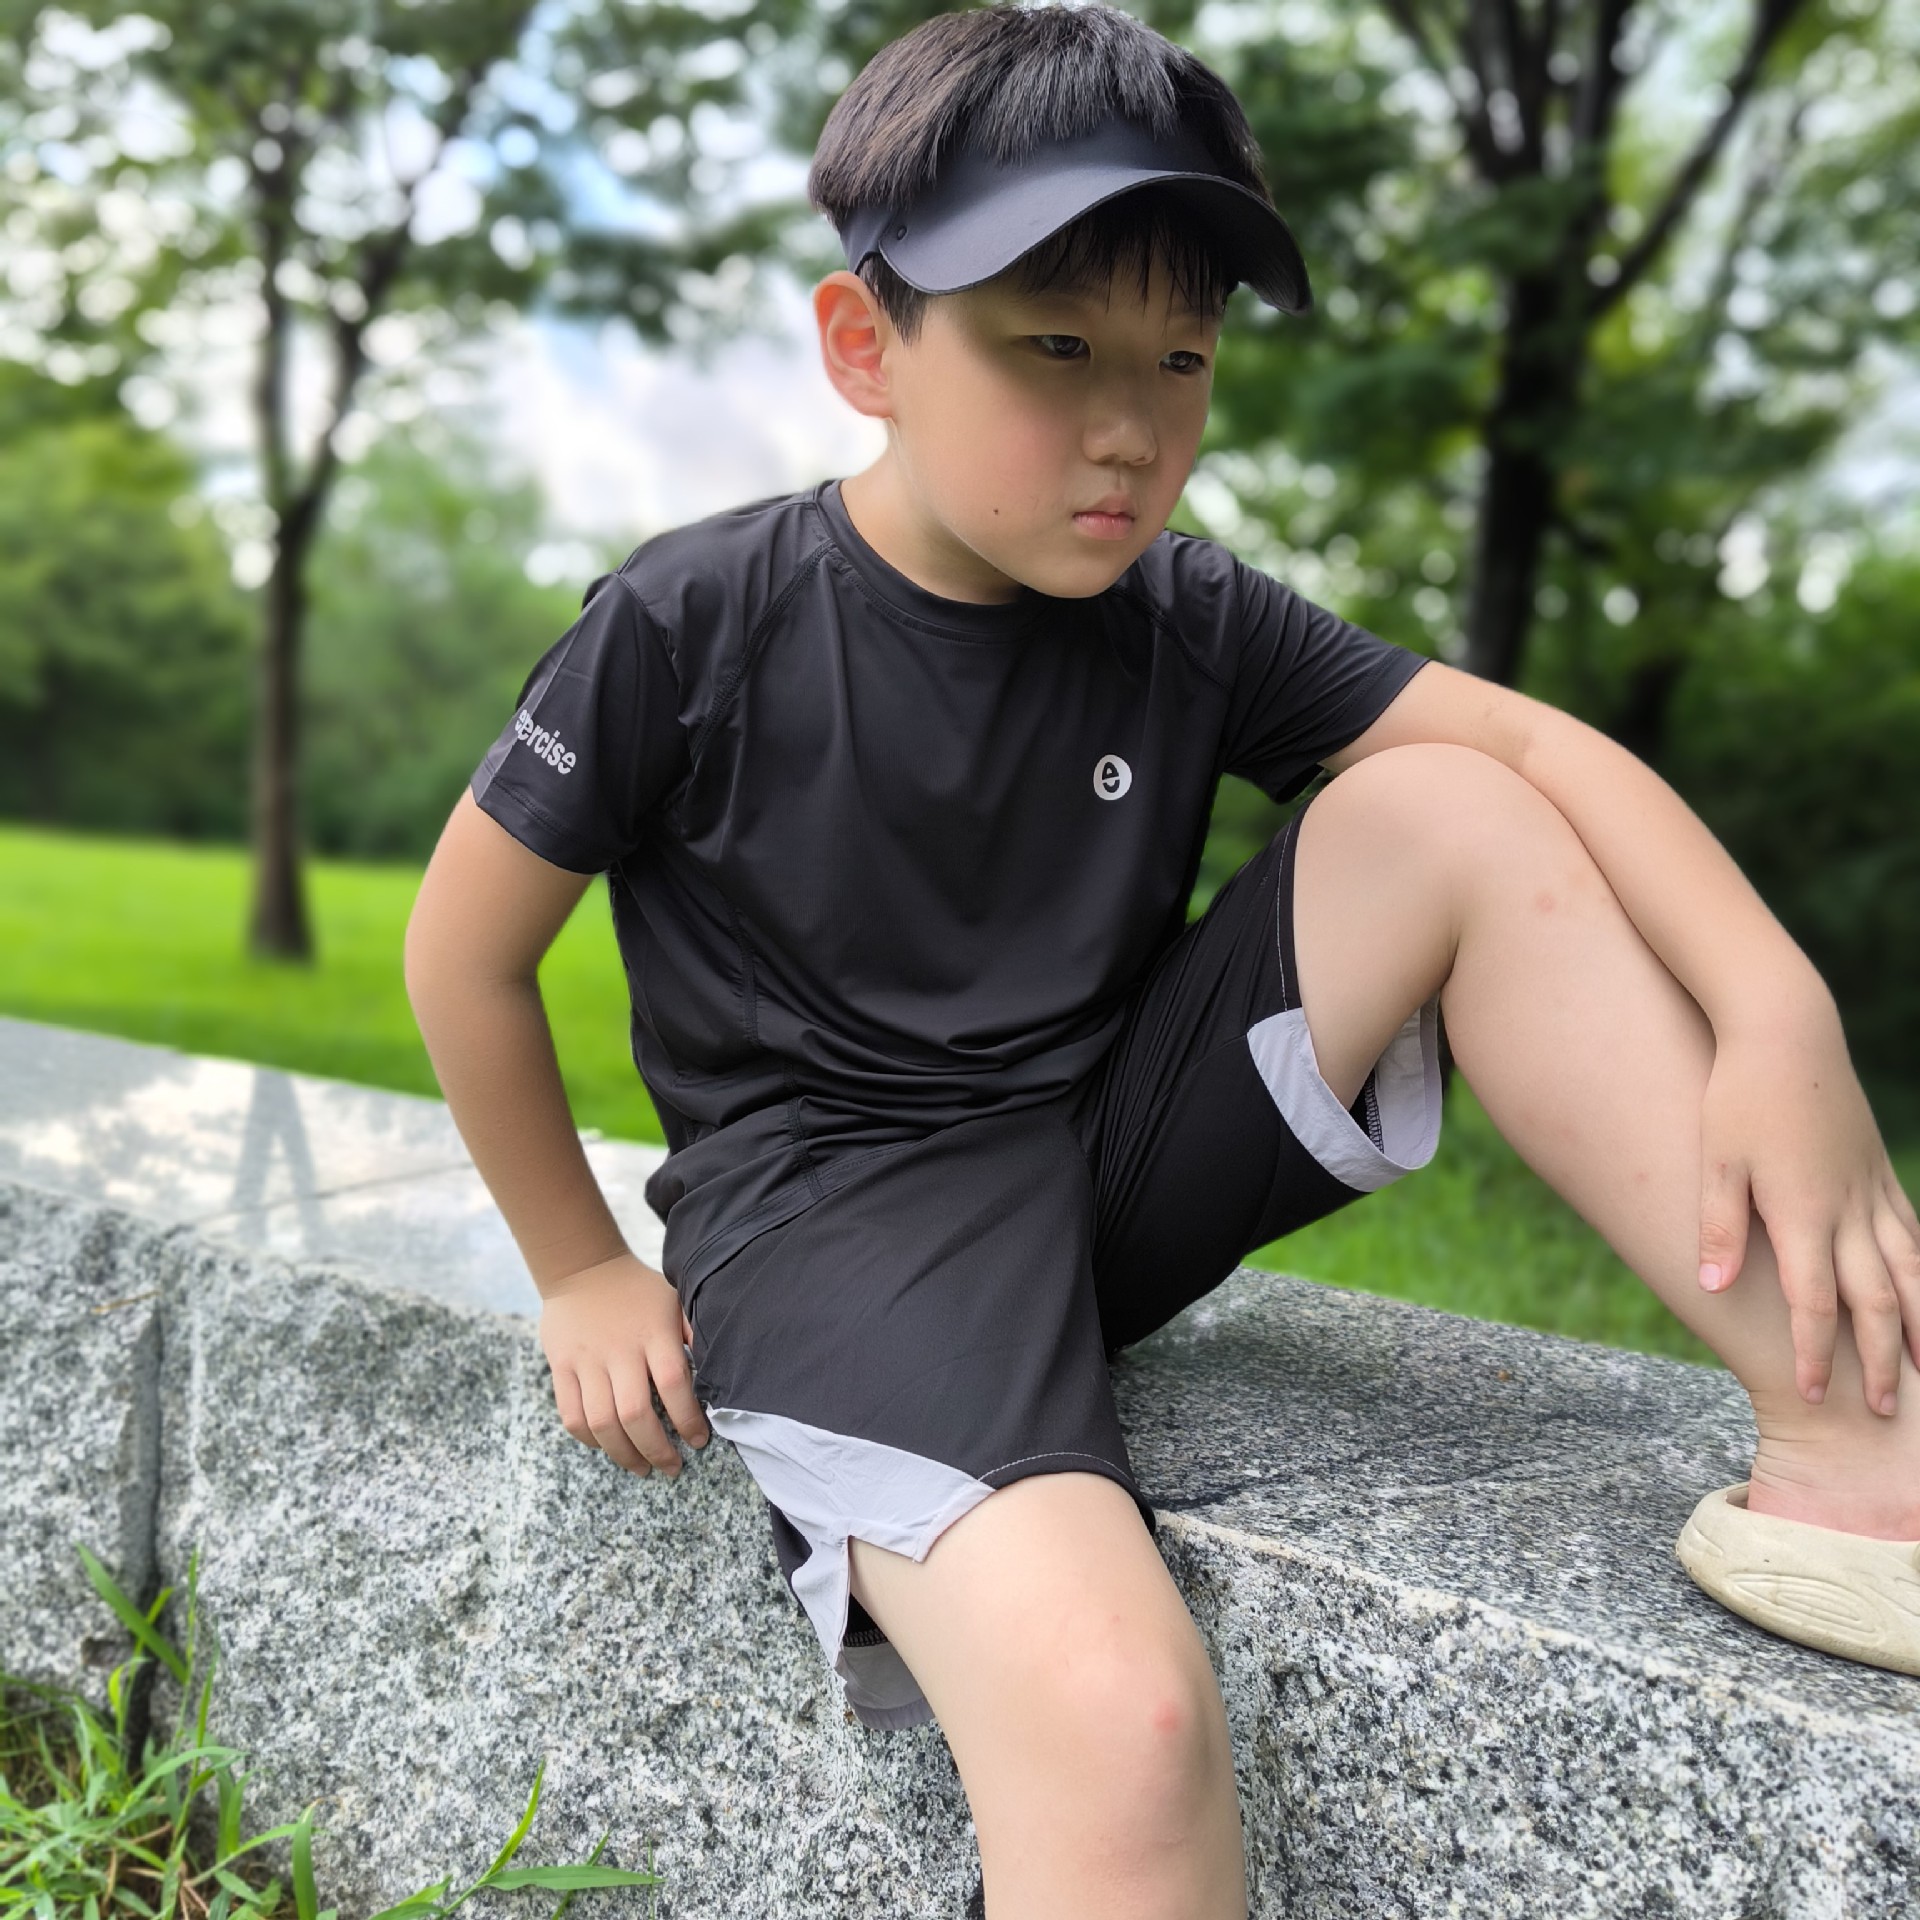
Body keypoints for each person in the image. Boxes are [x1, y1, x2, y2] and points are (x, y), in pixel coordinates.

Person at [403, 5, 1920, 1914]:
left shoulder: (1183, 613)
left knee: (1445, 806)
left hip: (1102, 1163)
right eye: (1055, 348)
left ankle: (1865, 1456)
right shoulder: (695, 618)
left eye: (1180, 360)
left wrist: (1778, 1008)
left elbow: (1536, 752)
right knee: (1121, 1724)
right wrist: (578, 1268)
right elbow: (462, 954)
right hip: (845, 1227)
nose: (1131, 428)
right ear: (866, 346)